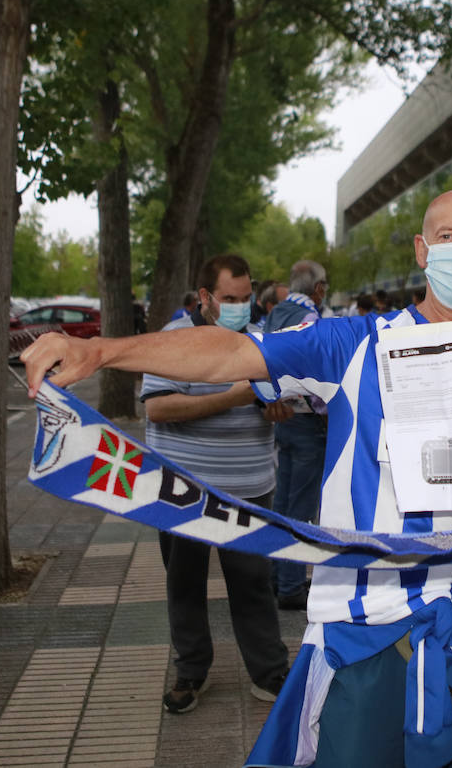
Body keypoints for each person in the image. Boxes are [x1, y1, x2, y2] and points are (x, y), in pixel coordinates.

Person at [22, 188, 452, 767]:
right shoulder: (354, 344)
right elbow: (231, 354)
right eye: (447, 237)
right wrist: (101, 351)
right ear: (422, 250)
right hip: (362, 635)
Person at [141, 254, 292, 713]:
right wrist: (233, 397)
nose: (240, 308)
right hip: (182, 488)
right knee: (184, 584)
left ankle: (270, 673)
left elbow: (284, 402)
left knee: (253, 584)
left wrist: (280, 408)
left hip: (249, 486)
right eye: (230, 298)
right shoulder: (173, 340)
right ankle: (191, 672)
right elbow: (158, 408)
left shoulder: (262, 341)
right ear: (205, 296)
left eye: (246, 298)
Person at [262, 259, 330, 610]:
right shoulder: (311, 319)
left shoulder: (276, 313)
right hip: (307, 422)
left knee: (283, 503)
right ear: (318, 289)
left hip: (281, 419)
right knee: (302, 507)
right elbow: (316, 377)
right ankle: (291, 585)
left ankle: (276, 577)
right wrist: (329, 412)